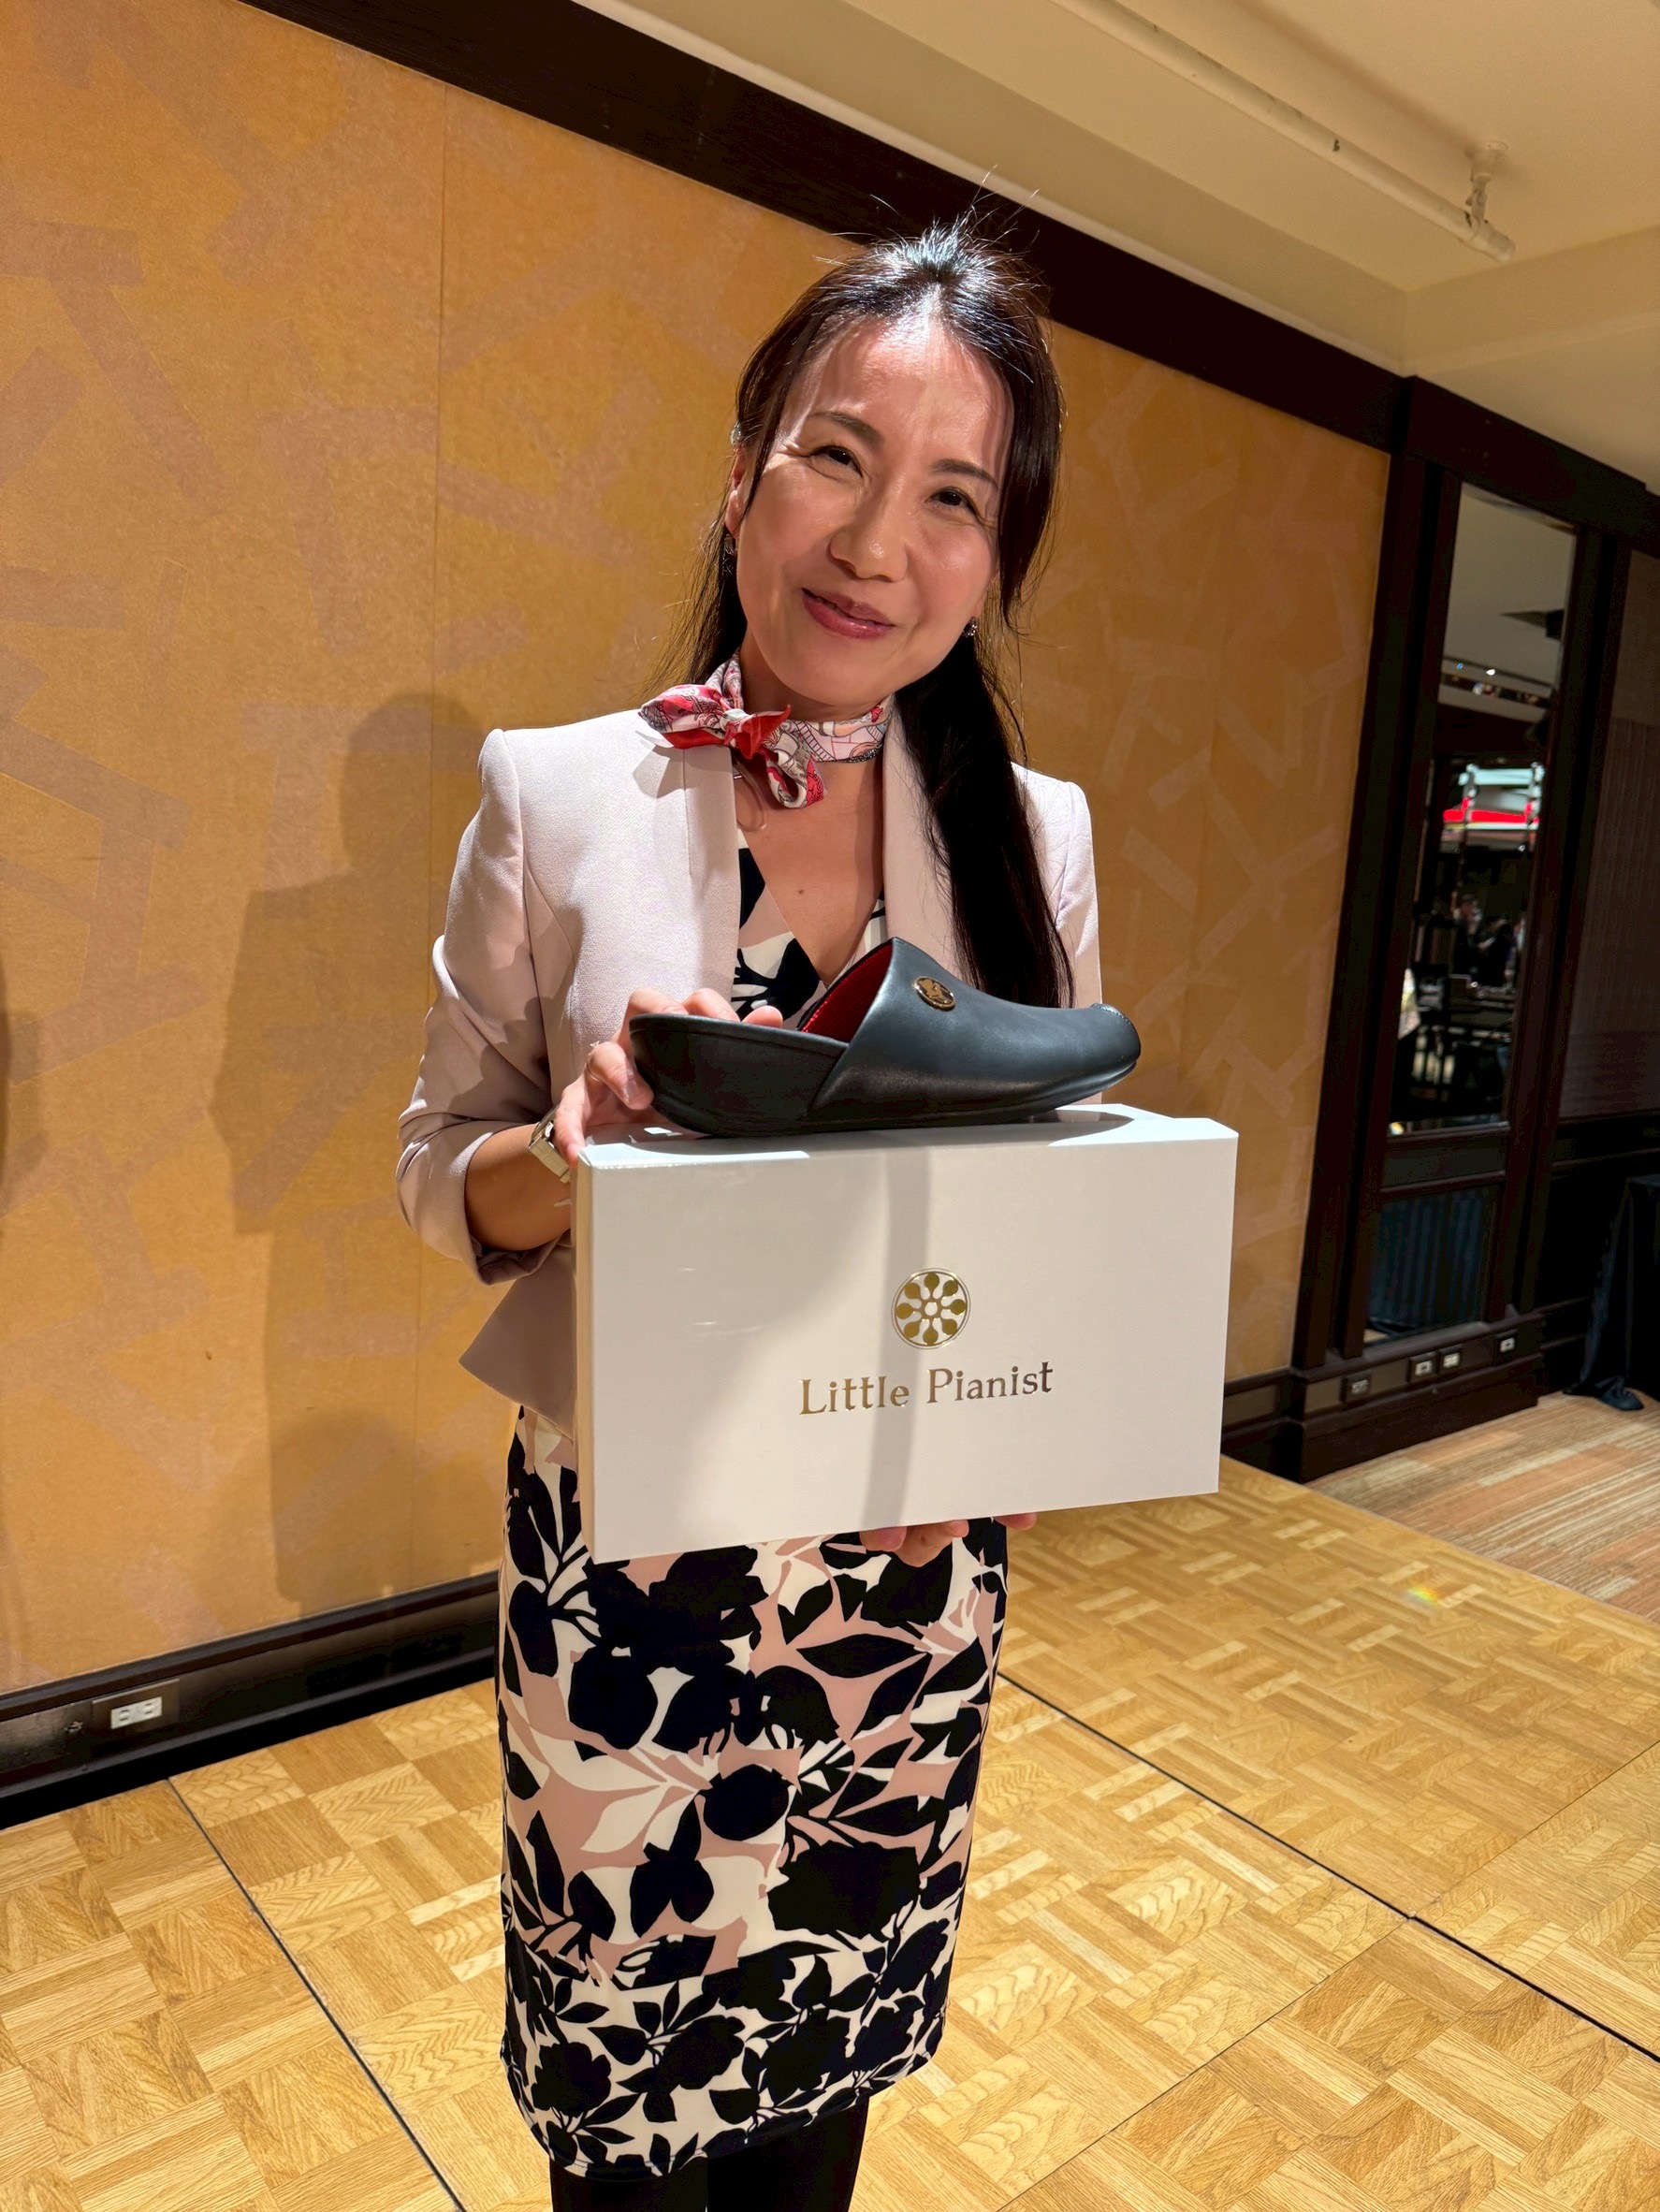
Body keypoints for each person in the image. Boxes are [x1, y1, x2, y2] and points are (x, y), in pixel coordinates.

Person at [397, 221, 1101, 2211]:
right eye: (834, 457)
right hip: (628, 1585)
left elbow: (1040, 1202)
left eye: (952, 496)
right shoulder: (556, 795)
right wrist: (570, 1149)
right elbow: (438, 1163)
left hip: (902, 1583)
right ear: (739, 478)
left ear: (996, 560)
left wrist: (1017, 1437)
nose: (877, 542)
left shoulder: (1031, 836)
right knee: (621, 2124)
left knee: (818, 2104)